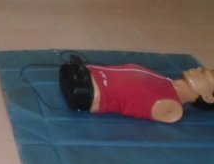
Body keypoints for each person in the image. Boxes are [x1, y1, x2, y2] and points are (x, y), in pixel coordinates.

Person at [59, 56, 214, 123]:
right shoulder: (166, 83)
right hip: (82, 74)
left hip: (85, 89)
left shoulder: (171, 108)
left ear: (209, 97)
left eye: (210, 75)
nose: (201, 69)